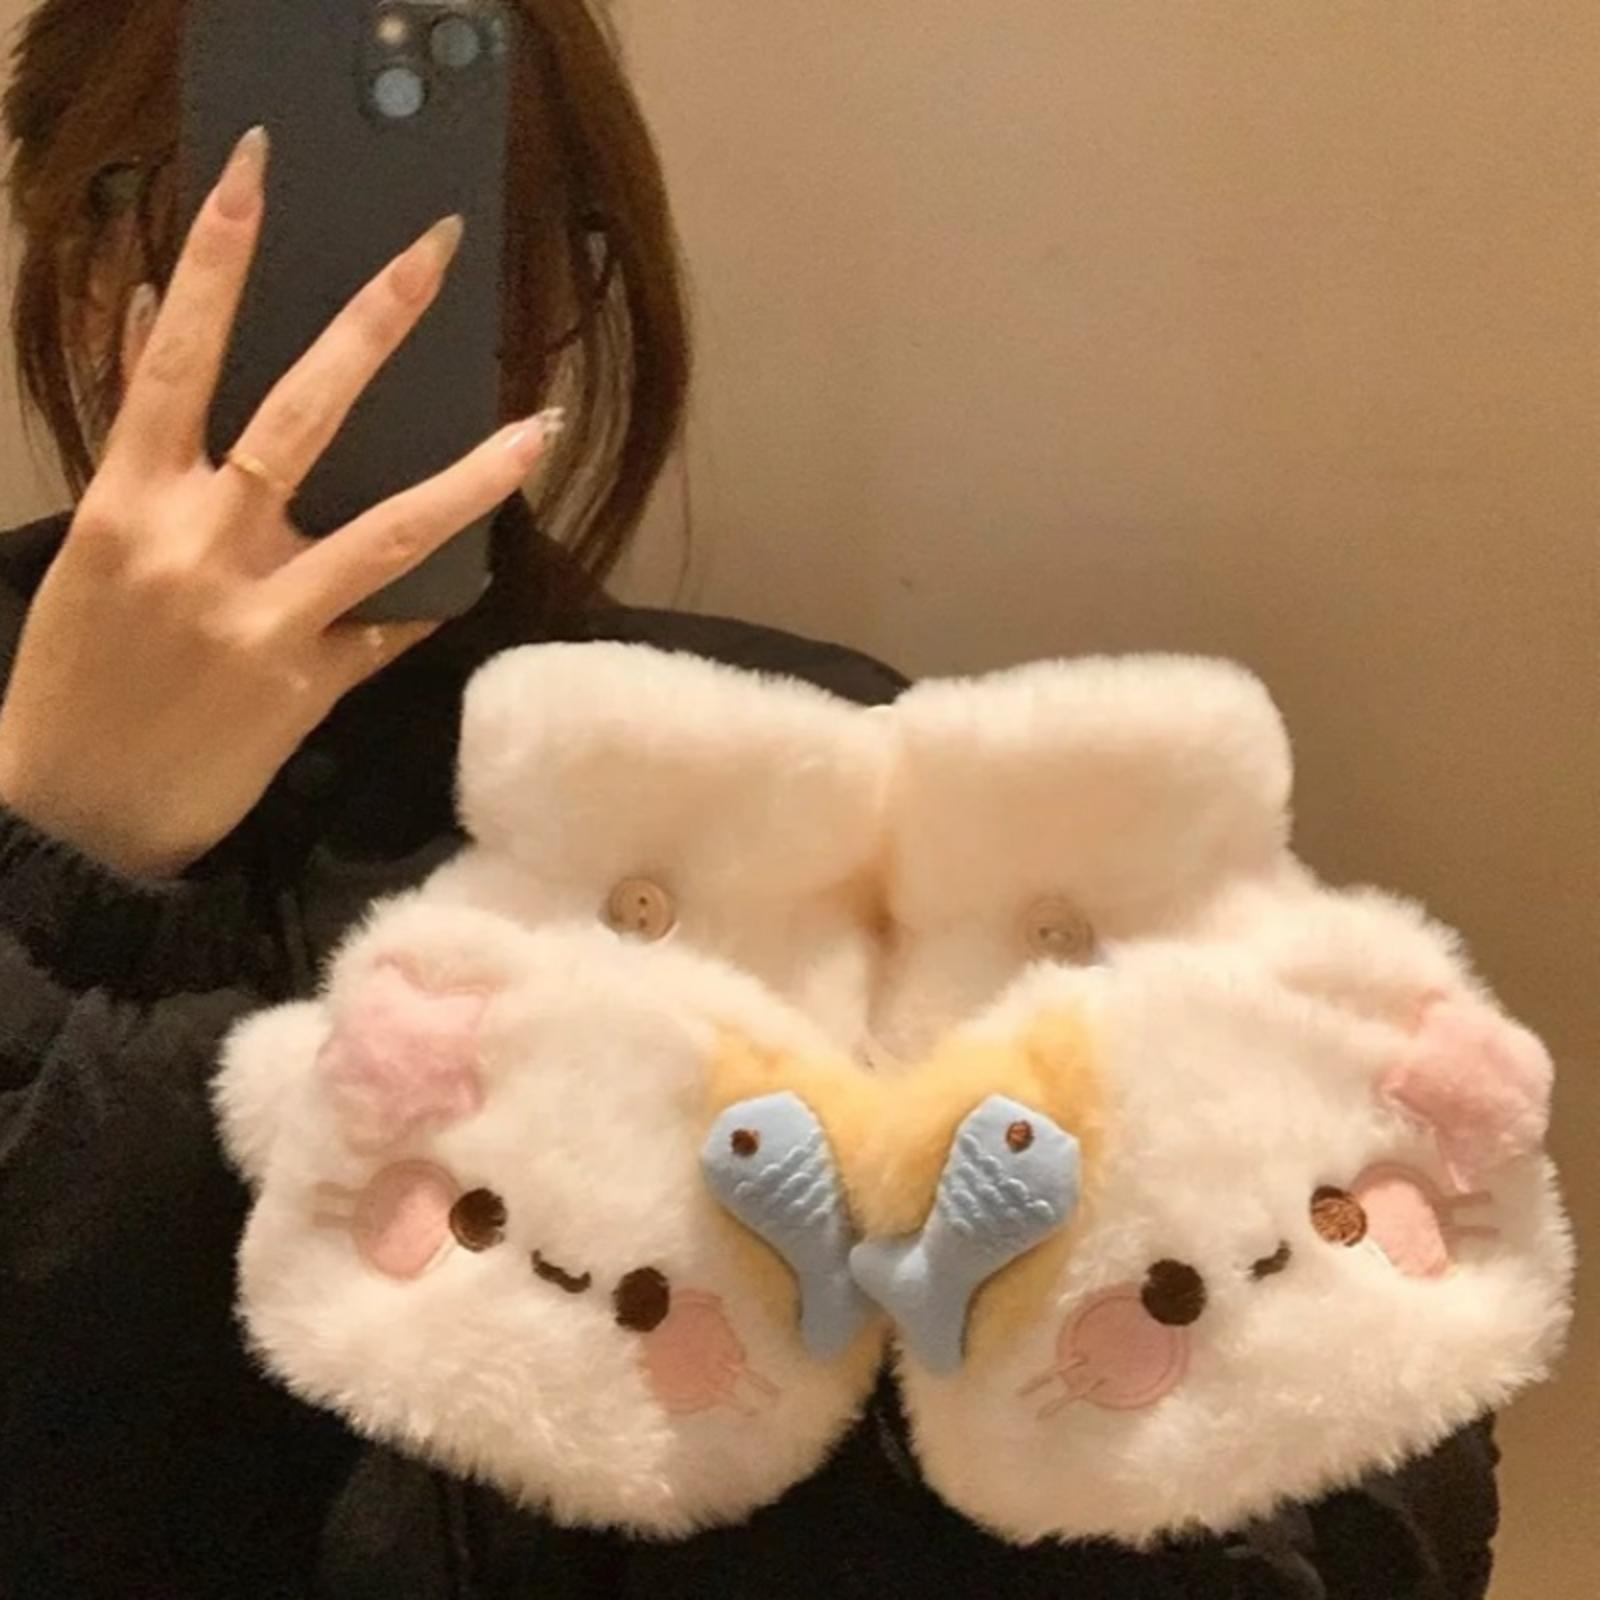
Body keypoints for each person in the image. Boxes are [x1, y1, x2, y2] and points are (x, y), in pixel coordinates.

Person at [0, 3, 1502, 1597]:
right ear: (78, 265)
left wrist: (932, 1342)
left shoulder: (809, 776)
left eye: (457, 224)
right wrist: (57, 843)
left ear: (557, 297)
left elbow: (1387, 1476)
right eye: (199, 205)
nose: (360, 305)